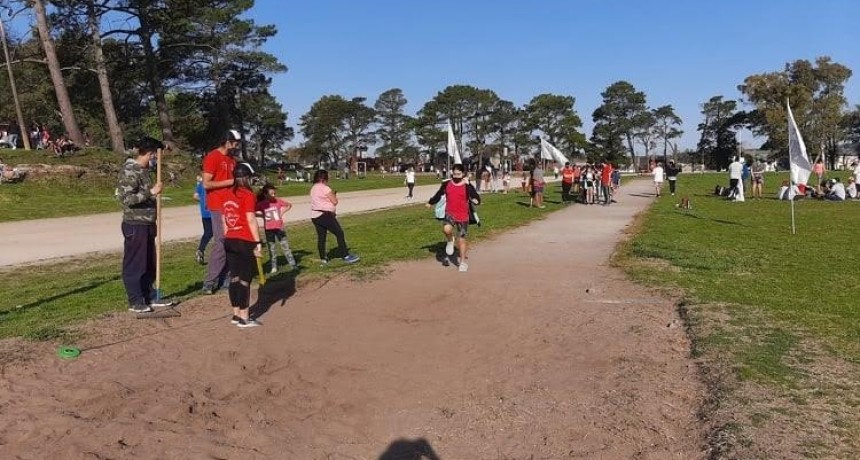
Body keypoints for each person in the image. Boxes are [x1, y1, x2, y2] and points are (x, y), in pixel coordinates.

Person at [117, 137, 164, 313]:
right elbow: (126, 199)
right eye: (155, 156)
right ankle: (135, 300)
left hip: (147, 223)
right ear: (150, 154)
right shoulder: (130, 171)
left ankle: (149, 295)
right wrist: (151, 192)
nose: (156, 160)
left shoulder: (144, 171)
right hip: (135, 224)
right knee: (135, 264)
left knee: (149, 262)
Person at [222, 162, 263, 328]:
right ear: (246, 178)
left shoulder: (226, 194)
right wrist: (257, 242)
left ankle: (236, 313)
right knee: (245, 279)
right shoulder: (247, 194)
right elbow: (250, 219)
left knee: (235, 277)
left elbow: (224, 218)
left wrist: (227, 235)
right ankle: (245, 318)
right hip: (244, 240)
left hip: (229, 239)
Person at [201, 130, 241, 294]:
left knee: (233, 241)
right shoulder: (213, 157)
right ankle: (210, 281)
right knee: (221, 242)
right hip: (218, 206)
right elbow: (206, 184)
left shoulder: (232, 159)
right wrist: (230, 181)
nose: (237, 146)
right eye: (235, 142)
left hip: (231, 205)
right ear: (227, 142)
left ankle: (226, 278)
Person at [426, 163, 481, 272]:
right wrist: (430, 202)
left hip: (463, 216)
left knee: (461, 240)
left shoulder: (467, 185)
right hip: (450, 213)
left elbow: (475, 196)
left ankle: (462, 262)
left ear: (463, 174)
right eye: (454, 174)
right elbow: (438, 194)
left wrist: (476, 200)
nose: (456, 176)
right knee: (446, 229)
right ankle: (450, 240)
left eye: (458, 174)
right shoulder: (447, 184)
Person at [310, 169, 360, 265]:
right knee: (339, 233)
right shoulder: (325, 188)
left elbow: (320, 200)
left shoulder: (313, 188)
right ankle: (345, 255)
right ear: (324, 178)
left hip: (315, 216)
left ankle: (323, 258)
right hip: (325, 215)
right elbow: (334, 201)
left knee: (321, 237)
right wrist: (334, 195)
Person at [256, 183, 297, 273]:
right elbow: (252, 211)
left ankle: (293, 264)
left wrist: (282, 213)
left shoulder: (278, 201)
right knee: (272, 249)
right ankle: (274, 267)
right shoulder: (261, 204)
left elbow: (289, 205)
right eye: (272, 193)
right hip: (269, 229)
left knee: (285, 247)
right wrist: (262, 216)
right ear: (265, 194)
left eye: (274, 193)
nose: (274, 195)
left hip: (279, 228)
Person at [192, 175, 212, 265]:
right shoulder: (214, 183)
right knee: (218, 233)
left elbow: (195, 196)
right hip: (213, 212)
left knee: (208, 233)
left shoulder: (201, 183)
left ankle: (200, 249)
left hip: (204, 213)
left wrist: (203, 201)